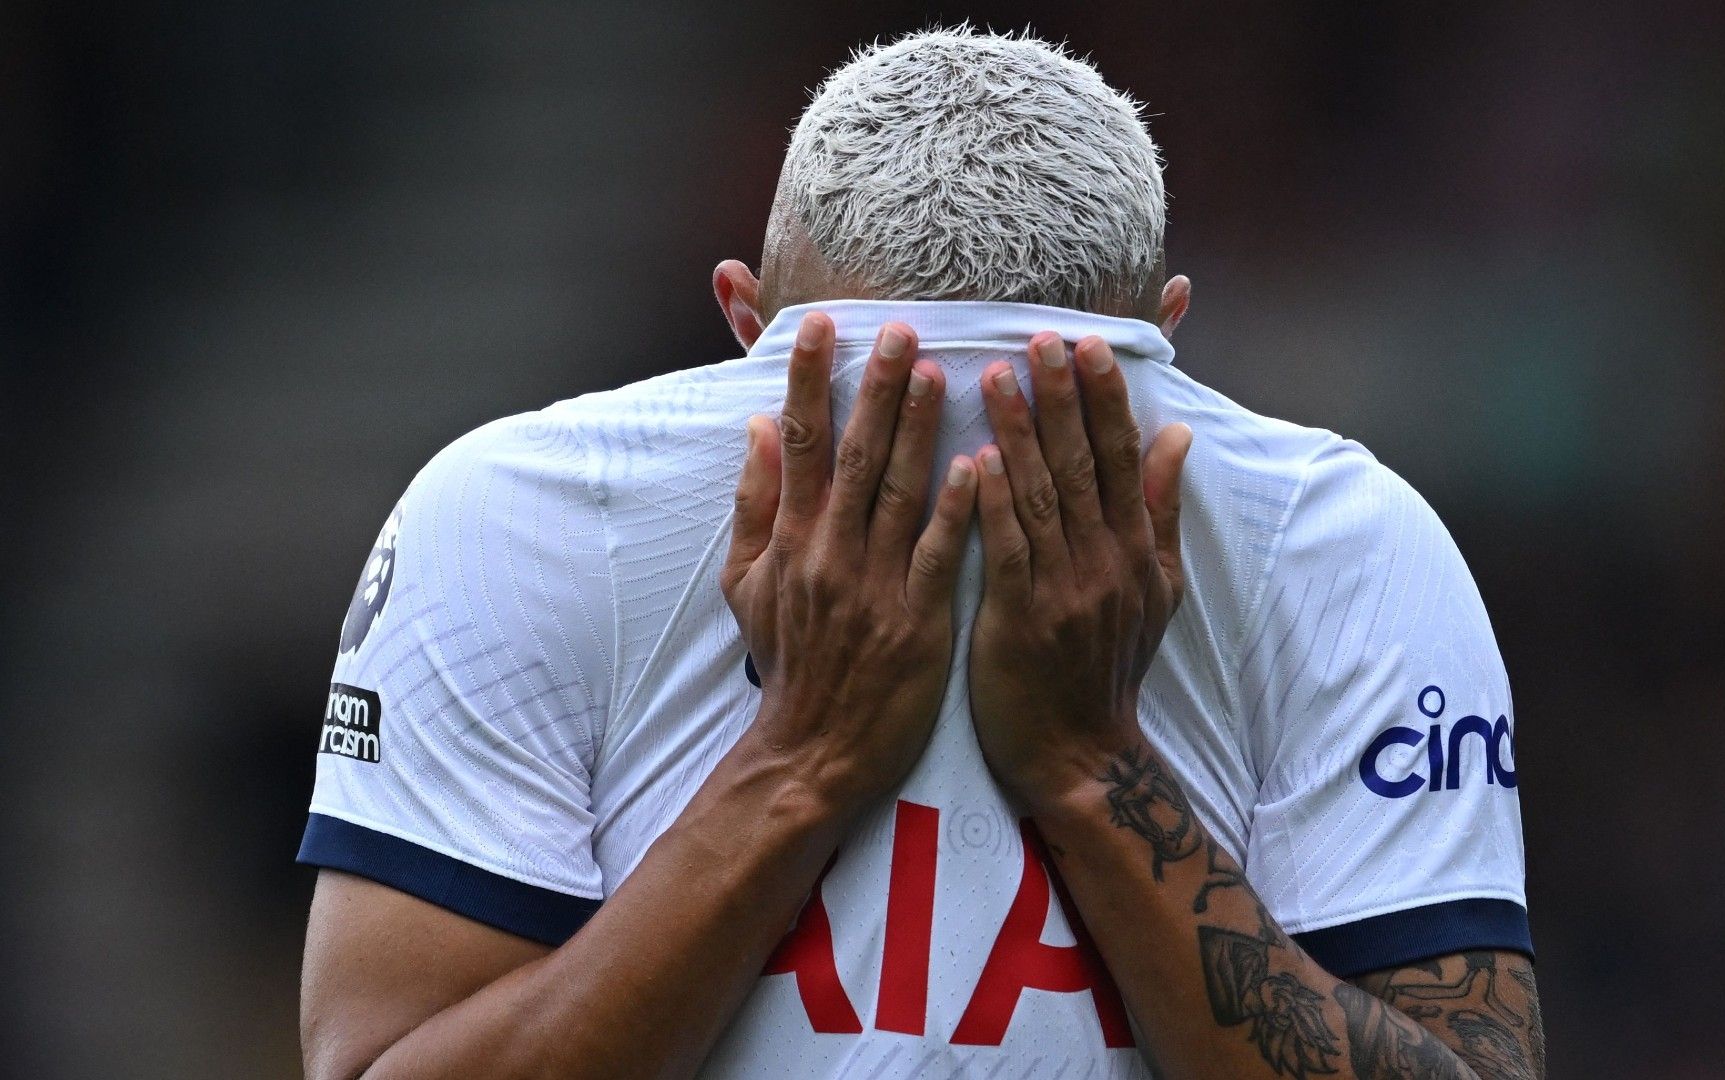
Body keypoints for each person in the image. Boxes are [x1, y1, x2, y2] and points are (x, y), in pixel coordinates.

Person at [299, 28, 1543, 1080]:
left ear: (742, 320)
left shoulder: (516, 510)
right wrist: (814, 758)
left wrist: (1081, 764)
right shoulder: (1350, 539)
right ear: (1169, 324)